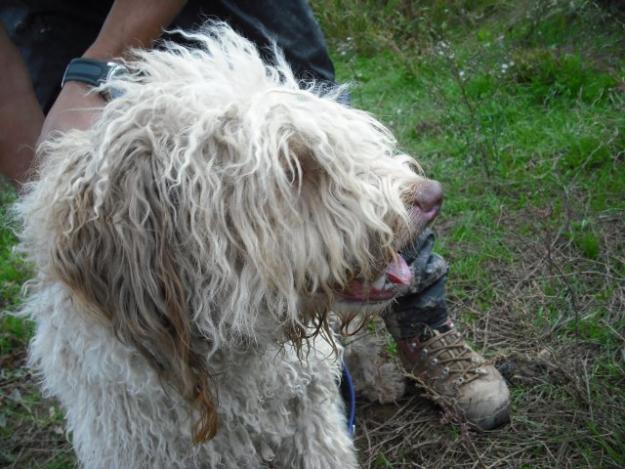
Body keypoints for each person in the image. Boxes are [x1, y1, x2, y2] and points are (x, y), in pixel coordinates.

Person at [0, 0, 510, 430]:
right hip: (50, 22)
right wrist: (61, 208)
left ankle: (420, 324)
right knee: (154, 273)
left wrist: (101, 60)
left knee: (306, 134)